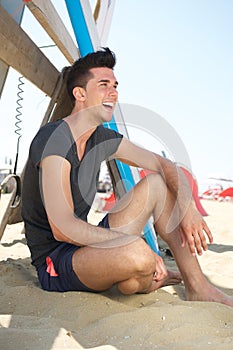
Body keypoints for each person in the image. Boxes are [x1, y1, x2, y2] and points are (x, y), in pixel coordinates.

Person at [22, 48, 233, 306]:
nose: (113, 92)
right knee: (138, 256)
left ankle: (197, 286)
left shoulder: (100, 138)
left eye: (115, 85)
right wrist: (130, 242)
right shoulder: (54, 139)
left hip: (84, 248)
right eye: (103, 85)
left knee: (156, 184)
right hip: (56, 260)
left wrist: (188, 209)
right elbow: (63, 228)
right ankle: (140, 278)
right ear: (80, 94)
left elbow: (163, 164)